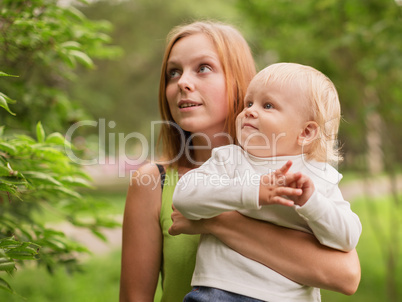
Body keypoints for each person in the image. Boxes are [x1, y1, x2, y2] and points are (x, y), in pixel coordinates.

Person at [119, 21, 361, 302]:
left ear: (238, 80)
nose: (182, 82)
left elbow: (346, 275)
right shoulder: (154, 182)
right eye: (173, 73)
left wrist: (214, 222)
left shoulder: (301, 175)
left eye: (203, 68)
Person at [172, 62, 362, 301]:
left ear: (306, 133)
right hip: (220, 293)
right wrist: (253, 191)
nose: (250, 111)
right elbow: (183, 197)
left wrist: (312, 203)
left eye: (268, 105)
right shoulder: (230, 158)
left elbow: (347, 237)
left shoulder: (316, 177)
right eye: (249, 103)